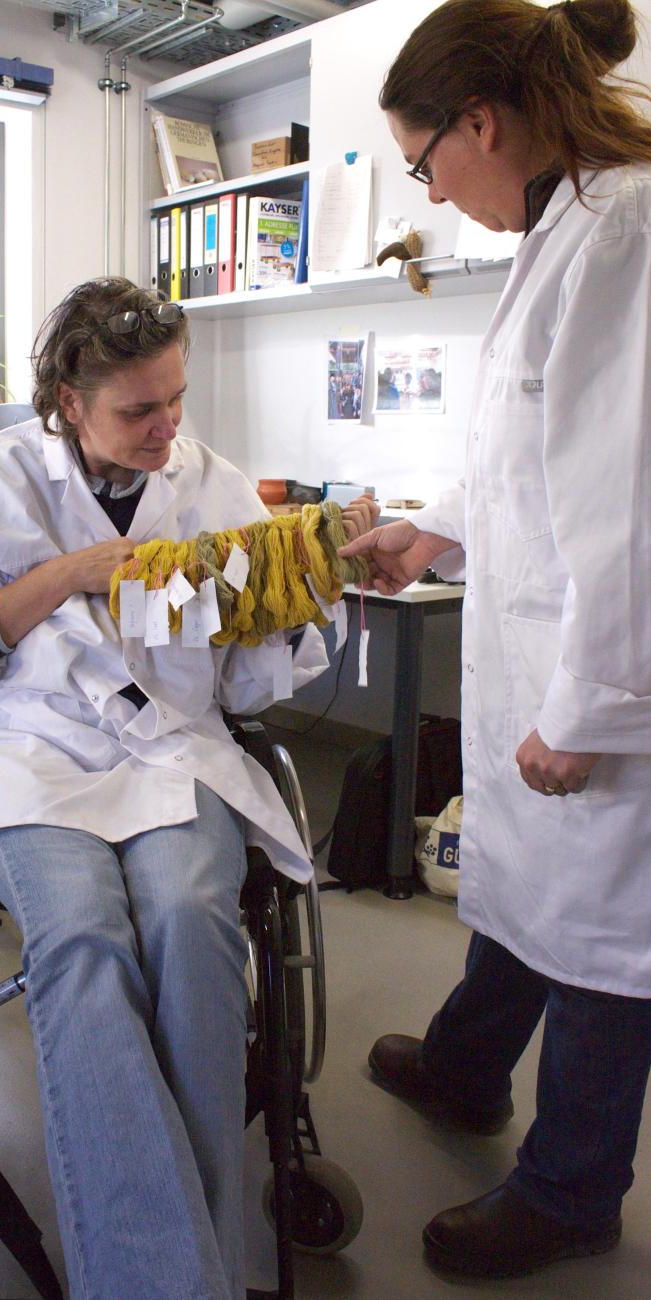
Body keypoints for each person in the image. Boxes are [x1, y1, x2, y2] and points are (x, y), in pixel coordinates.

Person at [0, 277, 375, 1300]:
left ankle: (167, 1266)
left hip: (170, 751)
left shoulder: (213, 486)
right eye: (138, 409)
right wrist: (66, 576)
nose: (166, 427)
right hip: (32, 756)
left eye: (176, 399)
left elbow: (244, 682)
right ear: (69, 400)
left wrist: (296, 595)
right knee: (82, 939)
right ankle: (174, 1278)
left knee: (193, 923)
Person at [339, 0, 651, 1281]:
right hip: (538, 647)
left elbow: (629, 500)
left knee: (601, 938)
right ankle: (469, 1070)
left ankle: (573, 1190)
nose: (432, 191)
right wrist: (430, 531)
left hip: (604, 667)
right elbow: (522, 458)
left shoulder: (625, 229)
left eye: (423, 164)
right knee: (524, 884)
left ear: (479, 122)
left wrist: (592, 707)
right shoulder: (559, 228)